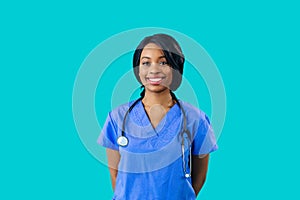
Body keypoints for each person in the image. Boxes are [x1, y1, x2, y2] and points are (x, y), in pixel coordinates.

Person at [97, 33, 218, 200]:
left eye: (163, 62)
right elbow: (116, 177)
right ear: (138, 69)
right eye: (146, 63)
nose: (154, 69)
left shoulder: (195, 119)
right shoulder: (117, 118)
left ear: (175, 67)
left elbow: (199, 177)